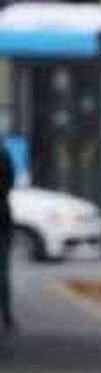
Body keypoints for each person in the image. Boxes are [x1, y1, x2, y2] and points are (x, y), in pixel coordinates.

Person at [0, 141, 15, 333]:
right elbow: (9, 181)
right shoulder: (2, 154)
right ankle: (6, 315)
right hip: (1, 216)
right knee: (2, 269)